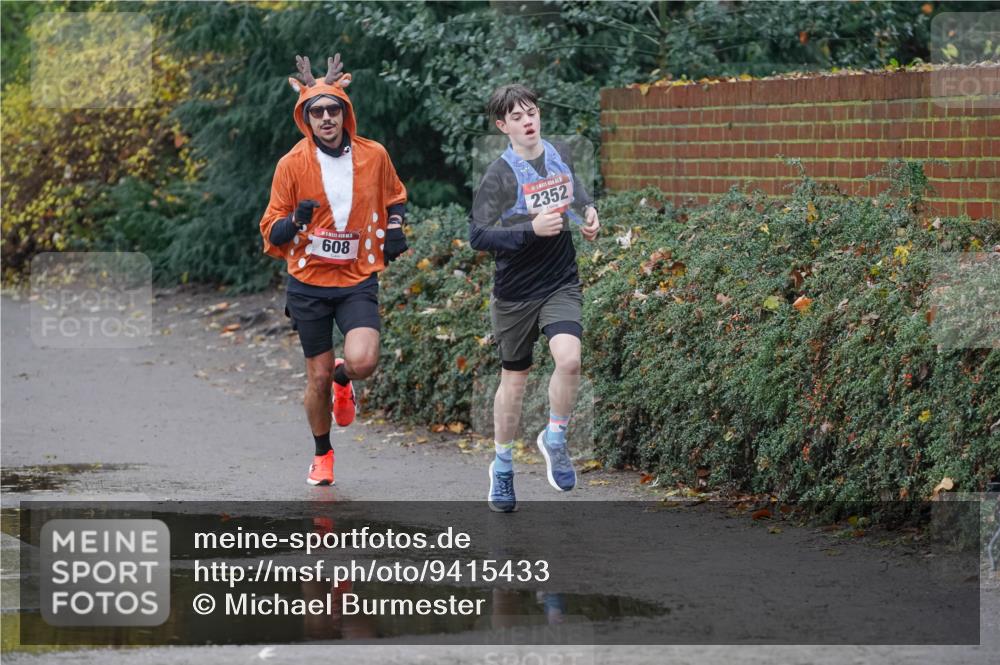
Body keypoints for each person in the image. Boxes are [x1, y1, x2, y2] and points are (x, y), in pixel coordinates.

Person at [259, 54, 408, 486]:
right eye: (316, 111)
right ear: (305, 118)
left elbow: (395, 196)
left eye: (333, 109)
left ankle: (347, 379)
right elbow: (271, 227)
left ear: (345, 113)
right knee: (316, 376)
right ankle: (323, 453)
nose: (326, 117)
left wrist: (394, 229)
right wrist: (296, 222)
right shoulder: (291, 165)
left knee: (363, 360)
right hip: (308, 282)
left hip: (357, 275)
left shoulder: (373, 155)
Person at [469, 84, 600, 512]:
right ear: (502, 126)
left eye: (532, 112)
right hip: (516, 293)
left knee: (570, 359)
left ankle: (555, 437)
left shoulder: (558, 152)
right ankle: (503, 466)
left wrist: (589, 211)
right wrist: (529, 230)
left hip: (560, 280)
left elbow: (572, 188)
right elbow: (478, 235)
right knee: (515, 382)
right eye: (517, 116)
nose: (528, 121)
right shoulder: (498, 175)